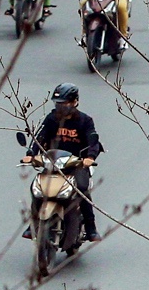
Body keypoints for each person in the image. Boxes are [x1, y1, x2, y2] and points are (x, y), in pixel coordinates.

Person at [28, 84, 103, 241]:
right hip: (52, 164)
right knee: (37, 189)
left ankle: (91, 228)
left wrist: (90, 157)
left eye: (65, 103)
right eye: (58, 103)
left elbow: (92, 140)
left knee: (82, 190)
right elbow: (39, 137)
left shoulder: (85, 121)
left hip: (77, 165)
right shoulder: (51, 119)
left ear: (75, 102)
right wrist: (30, 154)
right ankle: (33, 224)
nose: (61, 107)